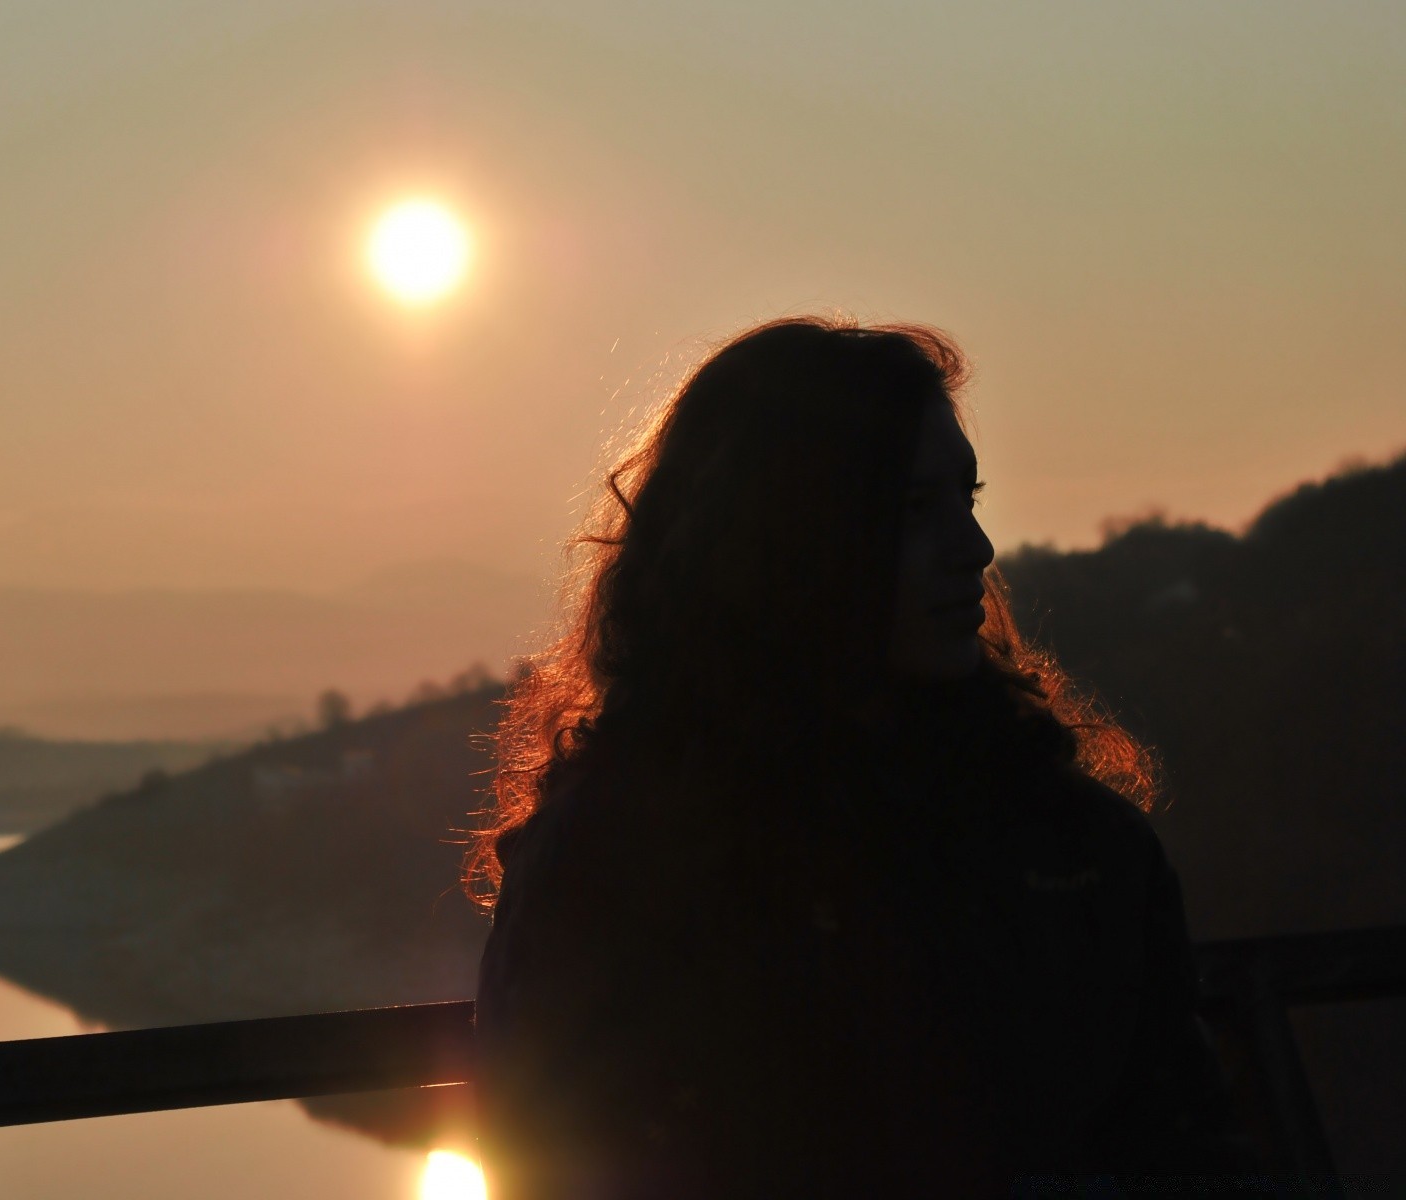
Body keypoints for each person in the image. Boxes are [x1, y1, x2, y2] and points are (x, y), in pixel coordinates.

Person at [467, 317, 1253, 1197]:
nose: (974, 551)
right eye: (914, 511)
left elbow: (1186, 1147)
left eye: (968, 499)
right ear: (781, 538)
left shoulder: (1072, 846)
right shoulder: (620, 858)